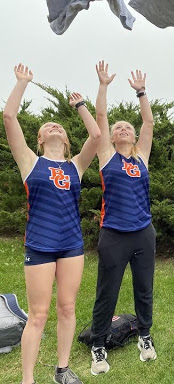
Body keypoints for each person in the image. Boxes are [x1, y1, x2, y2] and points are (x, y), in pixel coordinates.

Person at [3, 64, 101, 384]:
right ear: (40, 138)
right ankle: (27, 379)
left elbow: (97, 135)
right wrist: (22, 83)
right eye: (48, 125)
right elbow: (9, 118)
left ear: (66, 139)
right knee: (38, 315)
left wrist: (81, 105)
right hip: (40, 245)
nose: (54, 125)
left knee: (68, 308)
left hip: (71, 245)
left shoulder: (76, 166)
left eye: (58, 124)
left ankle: (62, 370)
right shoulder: (30, 161)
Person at [89, 61, 156, 375]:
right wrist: (103, 86)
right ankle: (99, 344)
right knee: (108, 291)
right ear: (112, 139)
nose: (124, 130)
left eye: (127, 128)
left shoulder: (142, 156)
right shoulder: (106, 156)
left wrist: (141, 92)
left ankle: (144, 335)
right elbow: (100, 118)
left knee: (144, 288)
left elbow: (148, 123)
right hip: (114, 234)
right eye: (119, 130)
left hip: (143, 233)